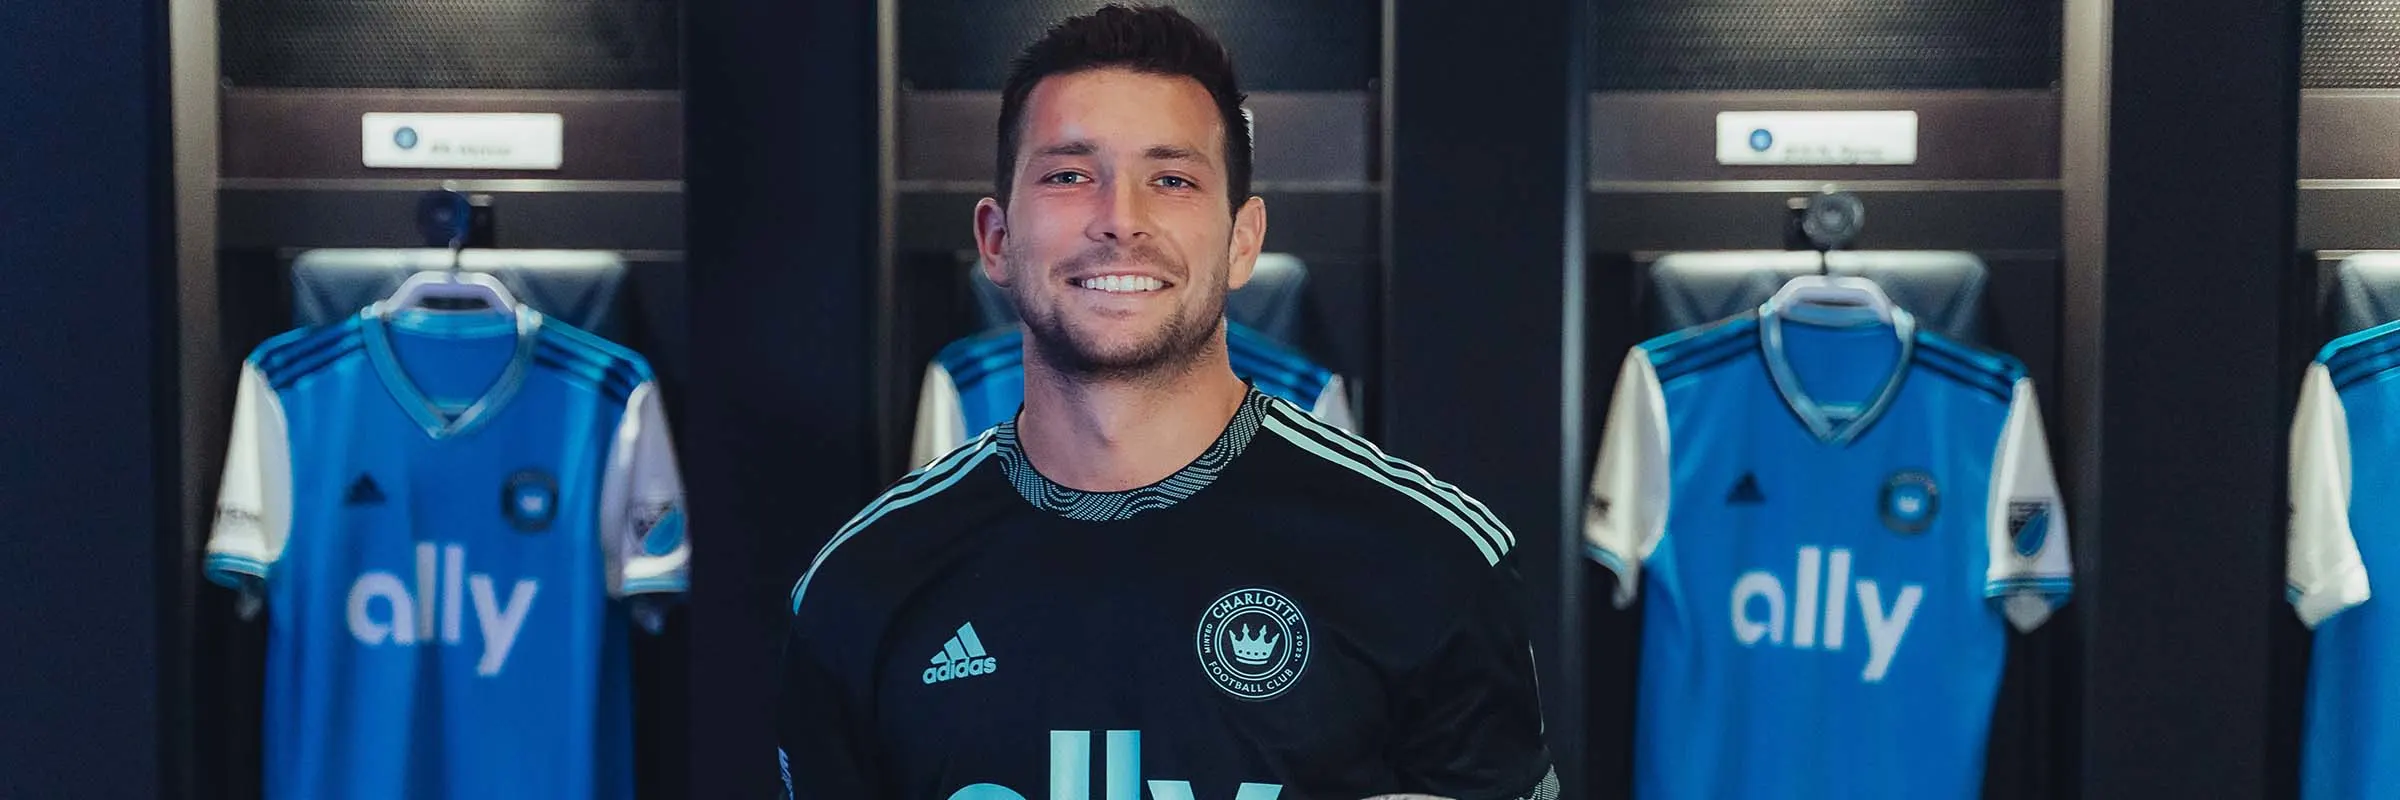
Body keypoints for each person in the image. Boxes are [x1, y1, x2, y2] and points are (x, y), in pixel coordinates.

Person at [774, 6, 1556, 799]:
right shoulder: (863, 583)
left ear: (1243, 241)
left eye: (1172, 180)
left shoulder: (1430, 560)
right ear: (997, 240)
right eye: (1069, 175)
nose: (1121, 220)